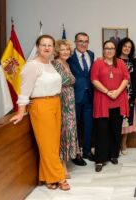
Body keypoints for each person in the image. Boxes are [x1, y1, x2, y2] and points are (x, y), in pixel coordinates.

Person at [10, 35, 70, 190]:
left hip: (55, 103)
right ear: (37, 46)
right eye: (43, 45)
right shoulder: (32, 66)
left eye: (50, 45)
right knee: (48, 144)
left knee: (52, 144)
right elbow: (24, 91)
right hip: (41, 105)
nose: (47, 48)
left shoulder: (50, 64)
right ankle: (59, 177)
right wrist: (20, 111)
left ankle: (47, 178)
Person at [91, 40, 129, 172]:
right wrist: (107, 92)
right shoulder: (97, 63)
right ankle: (100, 159)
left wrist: (117, 92)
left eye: (112, 48)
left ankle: (113, 154)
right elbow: (94, 80)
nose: (109, 50)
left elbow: (126, 78)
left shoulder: (121, 63)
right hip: (103, 100)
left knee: (115, 129)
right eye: (107, 48)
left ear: (115, 50)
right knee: (102, 130)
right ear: (103, 49)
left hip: (118, 100)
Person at [52, 39, 79, 179]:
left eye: (67, 49)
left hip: (70, 101)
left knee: (69, 131)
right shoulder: (55, 64)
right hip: (61, 102)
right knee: (63, 132)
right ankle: (61, 165)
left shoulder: (67, 63)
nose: (65, 52)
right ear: (57, 51)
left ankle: (64, 161)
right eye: (62, 49)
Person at [67, 32, 95, 165]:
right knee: (76, 126)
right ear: (75, 42)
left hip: (90, 96)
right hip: (75, 96)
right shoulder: (69, 56)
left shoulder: (91, 54)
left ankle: (87, 151)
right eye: (80, 41)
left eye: (86, 41)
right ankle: (76, 153)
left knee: (89, 125)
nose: (83, 44)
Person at [116, 37, 136, 155]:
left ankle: (124, 143)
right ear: (121, 47)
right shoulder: (114, 60)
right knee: (117, 121)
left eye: (129, 47)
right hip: (117, 95)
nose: (127, 49)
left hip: (130, 96)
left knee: (127, 121)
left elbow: (135, 80)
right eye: (125, 46)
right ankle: (116, 143)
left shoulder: (133, 61)